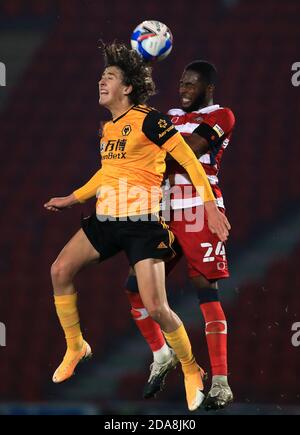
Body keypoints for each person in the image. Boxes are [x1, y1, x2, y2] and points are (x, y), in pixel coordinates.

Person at [44, 43, 230, 412]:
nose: (100, 81)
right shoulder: (109, 128)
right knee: (60, 270)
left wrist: (209, 205)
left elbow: (190, 162)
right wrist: (73, 197)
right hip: (106, 219)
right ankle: (77, 345)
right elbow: (107, 173)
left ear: (127, 88)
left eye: (108, 77)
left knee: (158, 306)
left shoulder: (152, 120)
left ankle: (192, 369)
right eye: (101, 76)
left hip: (144, 222)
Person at [124, 60, 235, 411]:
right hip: (164, 214)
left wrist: (148, 153)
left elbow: (188, 153)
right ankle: (164, 355)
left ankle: (220, 382)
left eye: (191, 84)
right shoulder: (169, 115)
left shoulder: (221, 116)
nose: (183, 89)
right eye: (182, 83)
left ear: (208, 88)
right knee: (134, 289)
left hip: (201, 211)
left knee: (207, 291)